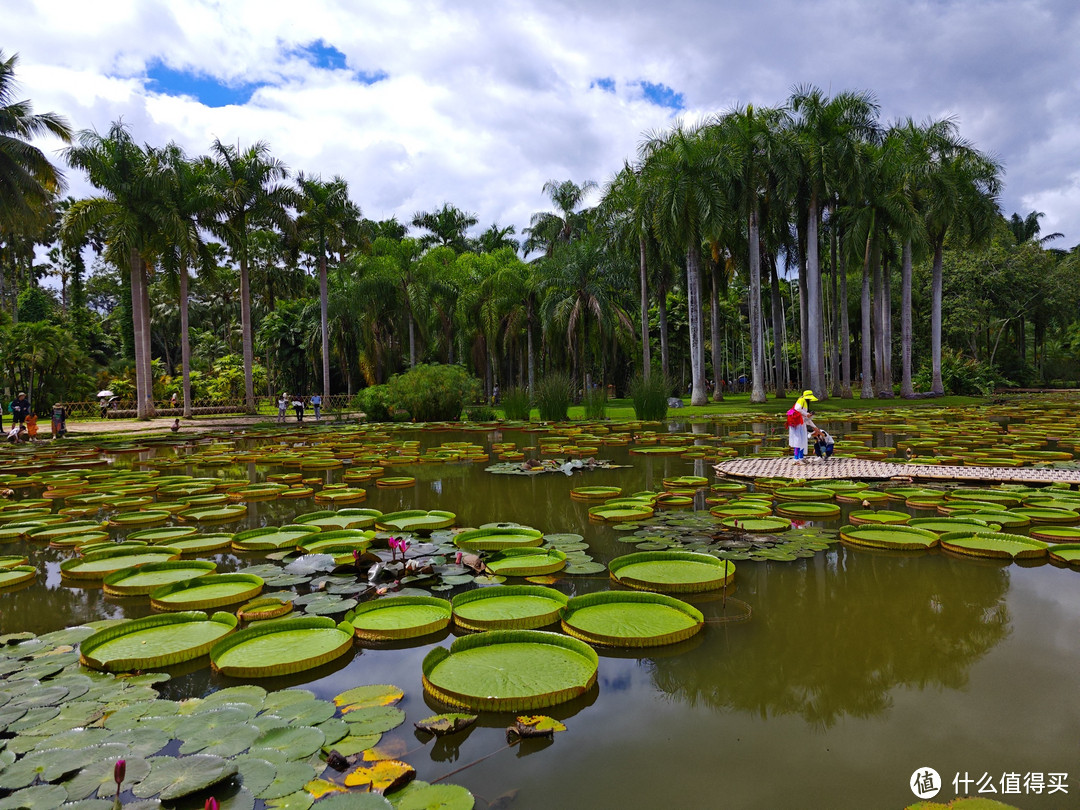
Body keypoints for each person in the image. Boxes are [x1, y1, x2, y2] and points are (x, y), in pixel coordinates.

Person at [786, 389, 818, 463]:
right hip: (797, 424)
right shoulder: (801, 400)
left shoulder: (804, 402)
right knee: (798, 440)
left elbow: (807, 419)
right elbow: (797, 408)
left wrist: (814, 427)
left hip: (801, 423)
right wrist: (806, 414)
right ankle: (796, 459)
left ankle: (801, 457)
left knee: (802, 440)